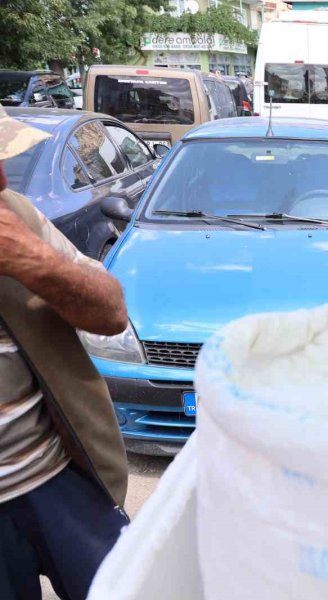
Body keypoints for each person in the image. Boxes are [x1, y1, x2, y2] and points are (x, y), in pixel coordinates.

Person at [0, 106, 130, 599]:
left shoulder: (16, 216)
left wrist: (34, 261)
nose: (2, 178)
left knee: (133, 585)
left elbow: (111, 312)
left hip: (56, 477)